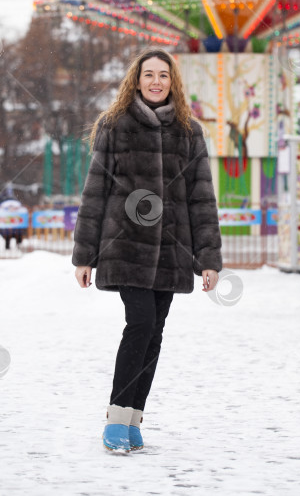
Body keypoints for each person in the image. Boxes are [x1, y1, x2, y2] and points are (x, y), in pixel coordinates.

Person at [72, 47, 223, 454]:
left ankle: (133, 419)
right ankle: (116, 420)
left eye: (163, 75)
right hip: (125, 247)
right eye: (149, 75)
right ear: (136, 81)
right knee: (139, 323)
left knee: (154, 334)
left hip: (172, 251)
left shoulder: (189, 132)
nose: (156, 81)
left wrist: (208, 258)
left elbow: (201, 200)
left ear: (173, 82)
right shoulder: (115, 126)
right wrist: (85, 254)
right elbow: (95, 193)